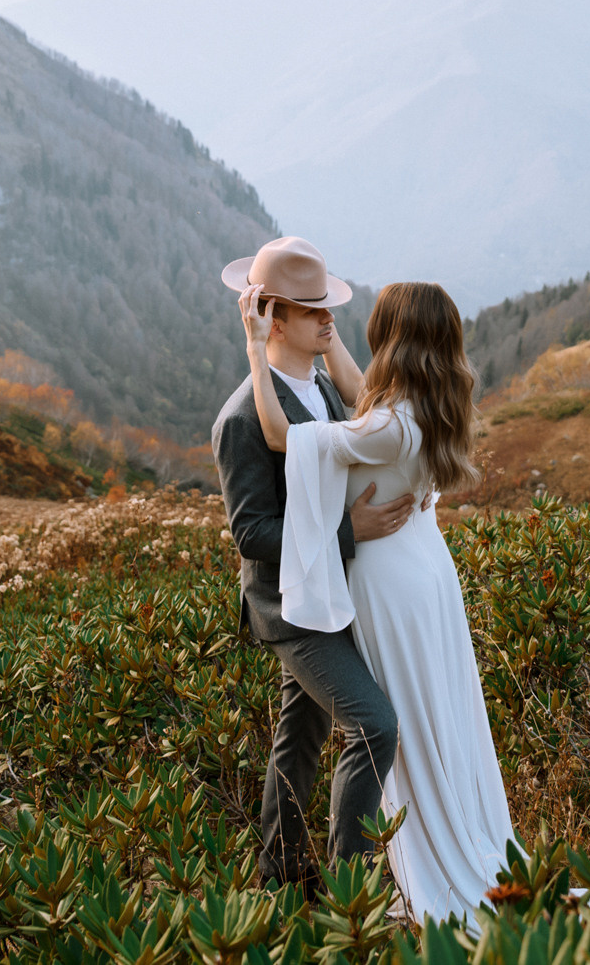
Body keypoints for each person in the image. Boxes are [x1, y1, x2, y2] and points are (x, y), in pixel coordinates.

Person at [237, 275, 518, 924]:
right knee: (400, 717)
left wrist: (254, 347)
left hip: (389, 582)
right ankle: (298, 871)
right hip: (423, 570)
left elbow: (281, 435)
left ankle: (356, 888)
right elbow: (364, 398)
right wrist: (329, 337)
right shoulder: (422, 405)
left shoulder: (388, 423)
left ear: (390, 337)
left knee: (390, 724)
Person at [212, 236, 415, 889]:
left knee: (299, 739)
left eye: (328, 305)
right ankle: (351, 889)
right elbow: (251, 533)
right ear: (273, 319)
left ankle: (280, 880)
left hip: (330, 590)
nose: (328, 318)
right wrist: (348, 531)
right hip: (289, 607)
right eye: (312, 310)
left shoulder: (324, 386)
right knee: (374, 726)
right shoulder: (242, 418)